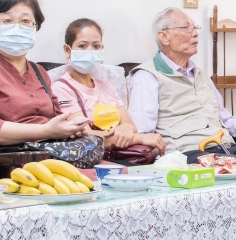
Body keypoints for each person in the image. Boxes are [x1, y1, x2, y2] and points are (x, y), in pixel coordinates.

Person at [0, 0, 101, 166]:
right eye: (7, 21)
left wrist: (72, 127)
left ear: (35, 27)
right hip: (1, 160)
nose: (17, 27)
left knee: (95, 146)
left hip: (47, 151)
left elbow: (57, 118)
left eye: (25, 21)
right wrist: (46, 130)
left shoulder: (39, 71)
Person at [128, 8, 236, 160]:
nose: (195, 33)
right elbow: (143, 134)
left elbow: (224, 118)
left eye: (194, 27)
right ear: (164, 36)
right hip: (188, 154)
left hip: (226, 148)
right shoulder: (147, 76)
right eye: (185, 28)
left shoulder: (201, 74)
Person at [52, 18, 164, 157]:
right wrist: (138, 138)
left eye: (96, 46)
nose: (90, 51)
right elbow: (87, 138)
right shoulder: (61, 89)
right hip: (91, 161)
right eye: (82, 46)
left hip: (120, 156)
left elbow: (131, 126)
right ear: (67, 50)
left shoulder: (107, 85)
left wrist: (126, 128)